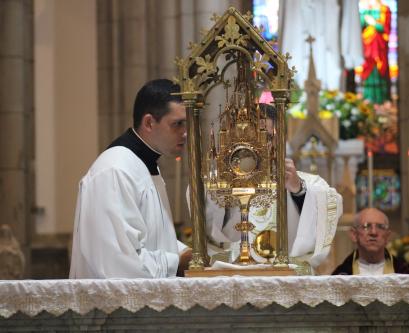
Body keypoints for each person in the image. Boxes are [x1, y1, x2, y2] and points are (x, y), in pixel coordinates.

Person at [70, 79, 192, 279]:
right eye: (177, 124)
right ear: (149, 123)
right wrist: (177, 261)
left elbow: (152, 238)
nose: (185, 133)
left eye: (185, 124)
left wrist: (186, 253)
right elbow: (118, 263)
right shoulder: (115, 170)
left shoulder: (143, 166)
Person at [204, 104, 343, 272]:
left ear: (279, 140)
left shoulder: (305, 183)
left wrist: (298, 190)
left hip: (286, 274)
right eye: (250, 137)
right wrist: (226, 180)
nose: (257, 146)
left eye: (267, 137)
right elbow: (208, 224)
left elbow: (330, 202)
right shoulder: (217, 179)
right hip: (234, 272)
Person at [332, 207, 409, 275]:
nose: (373, 232)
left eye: (380, 227)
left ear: (387, 236)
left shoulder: (405, 275)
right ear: (354, 235)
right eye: (366, 226)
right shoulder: (341, 276)